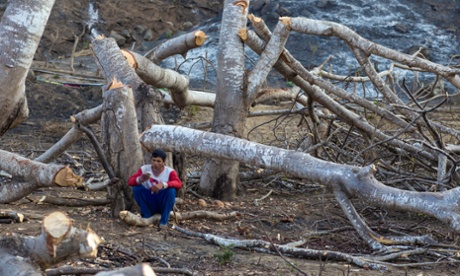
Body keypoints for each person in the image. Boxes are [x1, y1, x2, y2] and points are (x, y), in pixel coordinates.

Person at [128, 148, 182, 230]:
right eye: (153, 160)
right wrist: (140, 179)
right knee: (136, 187)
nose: (155, 163)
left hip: (161, 202)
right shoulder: (145, 169)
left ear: (163, 162)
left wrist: (163, 184)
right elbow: (130, 182)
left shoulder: (169, 172)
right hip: (149, 200)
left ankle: (164, 221)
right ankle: (146, 216)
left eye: (158, 161)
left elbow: (178, 184)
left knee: (171, 191)